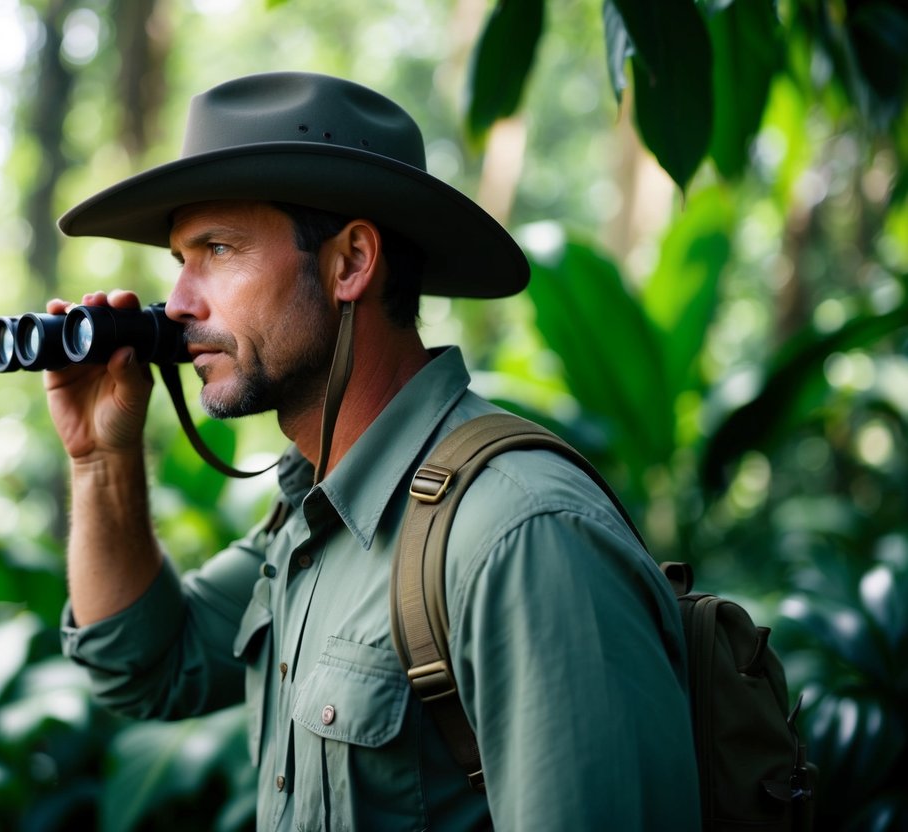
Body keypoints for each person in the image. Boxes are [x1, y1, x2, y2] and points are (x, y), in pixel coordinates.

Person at [49, 71, 700, 830]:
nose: (182, 303)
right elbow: (145, 667)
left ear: (351, 262)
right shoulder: (316, 521)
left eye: (218, 250)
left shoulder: (517, 534)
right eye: (180, 262)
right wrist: (101, 460)